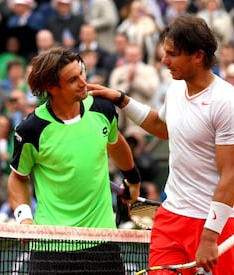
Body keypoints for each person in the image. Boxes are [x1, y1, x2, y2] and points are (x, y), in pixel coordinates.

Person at [88, 14, 234, 274]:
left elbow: (230, 177)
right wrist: (121, 99)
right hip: (172, 216)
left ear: (197, 56)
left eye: (172, 54)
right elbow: (163, 127)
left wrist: (209, 236)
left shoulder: (227, 103)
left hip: (219, 225)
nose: (164, 61)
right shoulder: (176, 89)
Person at [7, 47, 141, 274]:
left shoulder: (102, 109)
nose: (83, 83)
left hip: (102, 242)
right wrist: (24, 218)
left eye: (82, 74)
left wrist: (133, 178)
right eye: (73, 80)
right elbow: (18, 177)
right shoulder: (32, 129)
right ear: (52, 87)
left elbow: (115, 143)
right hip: (51, 246)